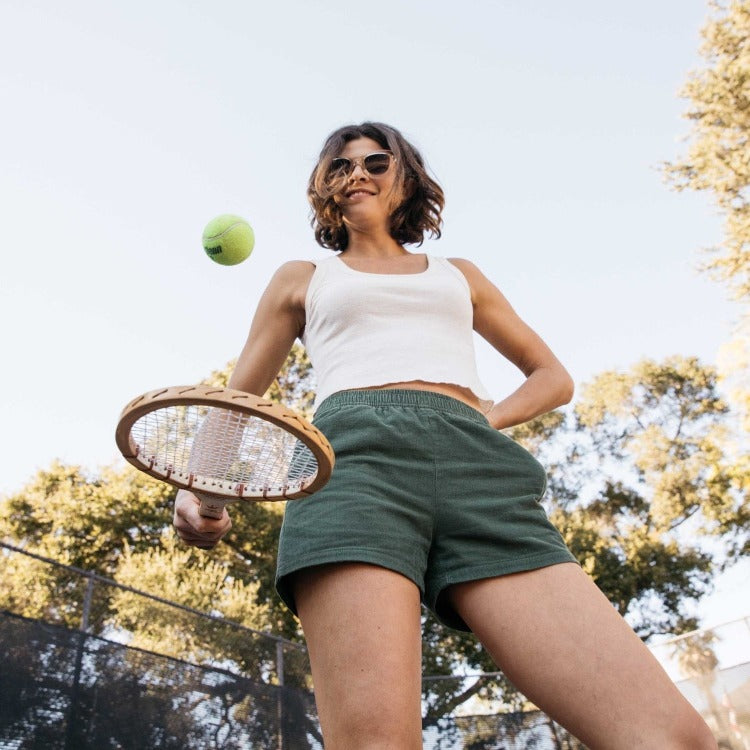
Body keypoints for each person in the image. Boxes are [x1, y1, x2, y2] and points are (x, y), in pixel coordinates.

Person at [174, 122, 717, 750]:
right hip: (354, 470)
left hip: (481, 476)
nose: (358, 173)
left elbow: (553, 377)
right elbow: (240, 399)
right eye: (340, 166)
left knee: (675, 740)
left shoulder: (460, 274)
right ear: (323, 190)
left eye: (376, 162)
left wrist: (480, 418)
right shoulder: (301, 278)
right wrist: (197, 484)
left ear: (405, 179)